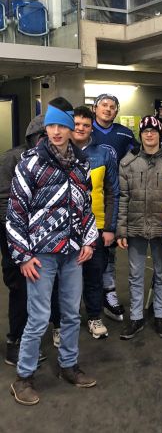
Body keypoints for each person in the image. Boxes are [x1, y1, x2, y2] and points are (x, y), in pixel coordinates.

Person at [7, 97, 98, 406]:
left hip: (72, 251)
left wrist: (89, 240)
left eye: (63, 126)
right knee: (39, 317)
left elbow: (85, 206)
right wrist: (22, 254)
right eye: (52, 126)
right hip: (40, 254)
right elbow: (16, 212)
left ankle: (68, 366)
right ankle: (24, 377)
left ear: (72, 129)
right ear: (45, 129)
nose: (57, 131)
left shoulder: (80, 163)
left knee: (72, 314)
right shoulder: (30, 162)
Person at [117, 116, 162, 340]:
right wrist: (121, 230)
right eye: (145, 131)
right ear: (141, 135)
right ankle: (136, 318)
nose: (149, 134)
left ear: (160, 134)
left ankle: (160, 316)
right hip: (135, 228)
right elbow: (122, 198)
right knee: (135, 275)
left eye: (154, 131)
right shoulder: (128, 162)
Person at [0, 115, 49, 365]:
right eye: (44, 134)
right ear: (35, 136)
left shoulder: (51, 160)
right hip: (15, 237)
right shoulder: (12, 158)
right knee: (18, 287)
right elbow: (3, 201)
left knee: (38, 287)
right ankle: (15, 341)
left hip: (43, 238)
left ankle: (33, 336)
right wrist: (14, 239)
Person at [70, 106, 119, 339]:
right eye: (76, 124)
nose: (80, 128)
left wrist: (110, 228)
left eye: (85, 125)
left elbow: (113, 193)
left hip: (97, 226)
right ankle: (62, 323)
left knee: (94, 275)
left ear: (92, 128)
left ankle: (94, 317)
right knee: (65, 278)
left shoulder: (103, 154)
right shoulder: (59, 152)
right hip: (65, 227)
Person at [91, 93, 137, 322]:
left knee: (108, 247)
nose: (108, 109)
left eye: (112, 107)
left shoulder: (125, 133)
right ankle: (85, 298)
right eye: (104, 105)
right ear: (94, 108)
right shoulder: (83, 129)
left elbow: (138, 158)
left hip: (113, 196)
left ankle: (108, 292)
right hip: (87, 198)